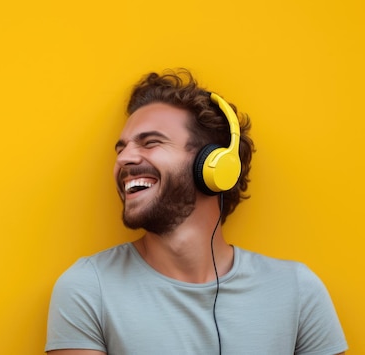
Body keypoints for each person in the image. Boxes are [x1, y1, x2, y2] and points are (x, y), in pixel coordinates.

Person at [45, 69, 347, 355]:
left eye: (150, 142)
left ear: (214, 167)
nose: (125, 158)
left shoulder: (296, 290)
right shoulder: (88, 288)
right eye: (121, 149)